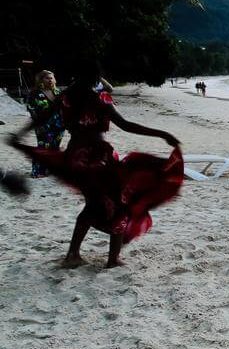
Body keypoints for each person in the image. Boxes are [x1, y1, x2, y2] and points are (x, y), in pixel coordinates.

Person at [9, 62, 183, 267]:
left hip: (75, 157)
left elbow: (41, 118)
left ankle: (74, 254)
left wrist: (19, 135)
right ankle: (111, 259)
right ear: (95, 78)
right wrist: (162, 134)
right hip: (98, 160)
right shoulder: (99, 99)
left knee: (93, 204)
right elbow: (126, 125)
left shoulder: (64, 97)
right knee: (119, 204)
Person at [25, 70, 64, 178]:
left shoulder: (58, 92)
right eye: (47, 78)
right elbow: (31, 109)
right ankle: (38, 171)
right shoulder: (35, 93)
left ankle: (50, 169)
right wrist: (38, 124)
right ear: (41, 80)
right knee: (43, 147)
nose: (50, 80)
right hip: (43, 125)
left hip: (59, 125)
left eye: (51, 78)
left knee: (54, 147)